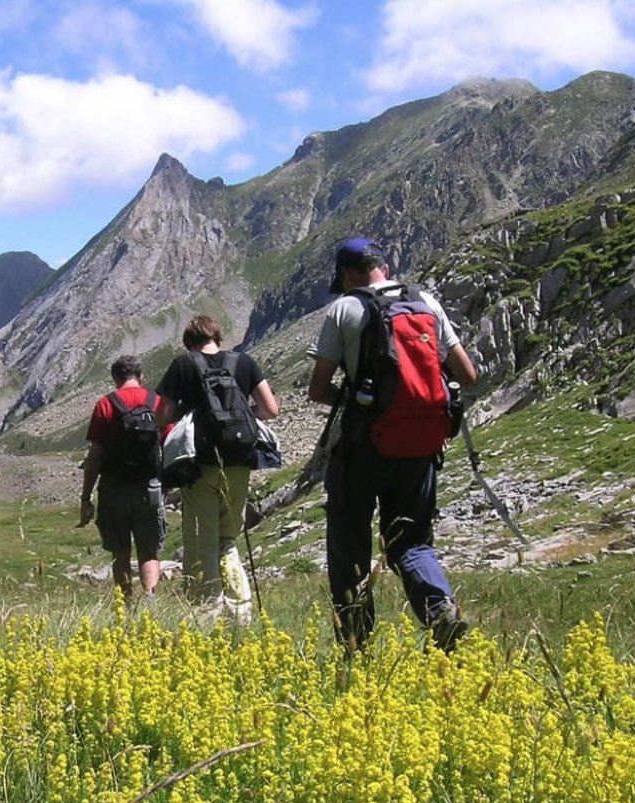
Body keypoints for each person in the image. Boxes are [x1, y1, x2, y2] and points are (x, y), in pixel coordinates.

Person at [307, 237, 477, 652]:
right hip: (420, 448)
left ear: (348, 275)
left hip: (361, 448)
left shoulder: (345, 308)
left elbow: (318, 388)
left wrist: (360, 401)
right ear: (383, 264)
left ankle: (355, 643)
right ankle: (440, 611)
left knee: (350, 546)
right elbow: (468, 375)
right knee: (412, 541)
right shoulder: (426, 302)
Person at [155, 315, 279, 619]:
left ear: (189, 342)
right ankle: (241, 612)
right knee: (227, 540)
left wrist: (190, 411)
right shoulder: (245, 362)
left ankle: (205, 616)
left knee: (201, 545)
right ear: (217, 336)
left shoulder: (183, 365)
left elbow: (161, 416)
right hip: (239, 463)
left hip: (200, 465)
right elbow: (270, 410)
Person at [79, 354, 166, 597]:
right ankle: (151, 601)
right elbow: (170, 441)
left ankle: (125, 605)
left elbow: (95, 455)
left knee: (120, 552)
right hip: (149, 487)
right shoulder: (156, 401)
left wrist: (86, 498)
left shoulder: (106, 404)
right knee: (149, 552)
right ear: (141, 376)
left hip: (114, 488)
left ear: (115, 378)